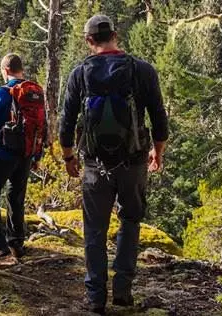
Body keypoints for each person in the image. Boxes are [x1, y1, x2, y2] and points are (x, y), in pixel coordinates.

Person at [59, 15, 169, 314]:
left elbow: (66, 123)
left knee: (94, 229)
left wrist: (70, 157)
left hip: (95, 164)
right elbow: (159, 118)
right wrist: (157, 152)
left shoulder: (79, 73)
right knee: (130, 221)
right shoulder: (142, 70)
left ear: (88, 40)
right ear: (116, 35)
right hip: (133, 161)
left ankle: (95, 298)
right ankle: (122, 291)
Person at [0, 53, 46, 262]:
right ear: (20, 69)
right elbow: (43, 125)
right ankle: (16, 241)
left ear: (5, 70)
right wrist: (37, 154)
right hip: (25, 153)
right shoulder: (35, 92)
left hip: (3, 153)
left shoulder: (0, 94)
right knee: (16, 196)